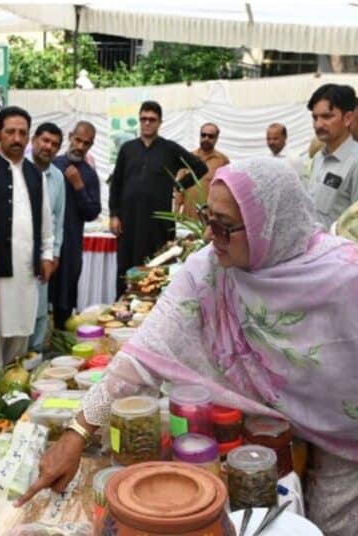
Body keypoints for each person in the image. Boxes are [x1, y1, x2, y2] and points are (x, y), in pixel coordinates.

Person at [20, 157, 358, 536]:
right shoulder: (210, 271)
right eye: (206, 217)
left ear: (272, 225)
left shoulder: (346, 277)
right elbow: (140, 360)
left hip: (347, 454)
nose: (210, 235)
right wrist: (76, 434)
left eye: (224, 226)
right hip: (258, 448)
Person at [0, 106, 55, 370]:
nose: (16, 139)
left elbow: (46, 223)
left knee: (20, 336)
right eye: (10, 132)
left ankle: (14, 394)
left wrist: (47, 255)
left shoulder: (36, 175)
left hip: (26, 273)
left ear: (29, 137)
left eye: (22, 133)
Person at [108, 100, 207, 297]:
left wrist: (179, 186)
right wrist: (114, 215)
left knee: (157, 267)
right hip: (129, 221)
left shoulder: (169, 149)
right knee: (125, 267)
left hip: (158, 222)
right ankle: (121, 308)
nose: (147, 123)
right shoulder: (127, 149)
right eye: (143, 119)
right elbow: (116, 183)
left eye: (152, 120)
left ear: (160, 122)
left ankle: (152, 313)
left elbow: (200, 167)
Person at [49, 121, 102, 330]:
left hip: (70, 246)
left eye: (86, 144)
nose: (80, 147)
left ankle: (59, 342)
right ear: (70, 136)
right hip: (46, 242)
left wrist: (79, 186)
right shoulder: (52, 164)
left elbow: (93, 213)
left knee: (65, 297)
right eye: (78, 140)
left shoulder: (88, 174)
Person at [29, 122, 66, 354]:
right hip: (19, 252)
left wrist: (55, 253)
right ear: (34, 141)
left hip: (44, 253)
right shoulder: (20, 170)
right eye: (45, 141)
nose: (48, 147)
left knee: (41, 311)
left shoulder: (58, 178)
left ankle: (34, 359)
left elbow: (58, 218)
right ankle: (13, 362)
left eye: (54, 144)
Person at [306, 83, 358, 228]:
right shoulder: (318, 158)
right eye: (315, 118)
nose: (318, 125)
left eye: (326, 117)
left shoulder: (355, 163)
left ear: (348, 118)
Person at [175, 122, 230, 220]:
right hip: (188, 217)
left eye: (210, 136)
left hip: (210, 219)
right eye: (203, 135)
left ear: (217, 138)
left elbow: (226, 190)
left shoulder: (222, 161)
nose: (206, 139)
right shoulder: (188, 157)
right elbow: (179, 188)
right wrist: (176, 214)